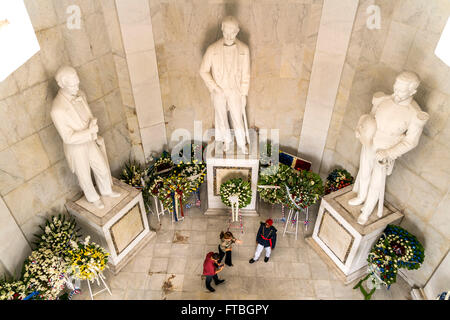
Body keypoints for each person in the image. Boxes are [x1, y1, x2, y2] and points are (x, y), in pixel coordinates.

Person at [348, 71, 429, 224]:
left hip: (386, 151)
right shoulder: (384, 100)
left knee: (376, 182)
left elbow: (411, 141)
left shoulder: (415, 113)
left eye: (401, 90)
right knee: (364, 172)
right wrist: (362, 130)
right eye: (396, 87)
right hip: (370, 142)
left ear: (413, 91)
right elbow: (370, 119)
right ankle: (361, 196)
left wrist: (388, 153)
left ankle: (366, 211)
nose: (396, 92)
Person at [51, 66, 121, 209]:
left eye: (77, 83)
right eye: (73, 85)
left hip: (89, 141)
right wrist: (89, 131)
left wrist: (93, 134)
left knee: (101, 167)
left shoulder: (80, 94)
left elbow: (86, 115)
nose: (77, 87)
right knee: (84, 175)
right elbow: (68, 138)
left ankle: (106, 190)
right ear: (61, 85)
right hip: (76, 148)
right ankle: (93, 198)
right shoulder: (57, 109)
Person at [199, 16, 251, 154]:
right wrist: (215, 88)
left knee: (237, 118)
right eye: (226, 32)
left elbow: (246, 74)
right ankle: (226, 141)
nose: (229, 36)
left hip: (235, 90)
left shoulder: (244, 49)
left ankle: (241, 143)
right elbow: (203, 71)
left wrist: (244, 94)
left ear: (237, 31)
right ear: (222, 29)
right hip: (218, 91)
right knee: (221, 118)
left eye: (232, 33)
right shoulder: (212, 49)